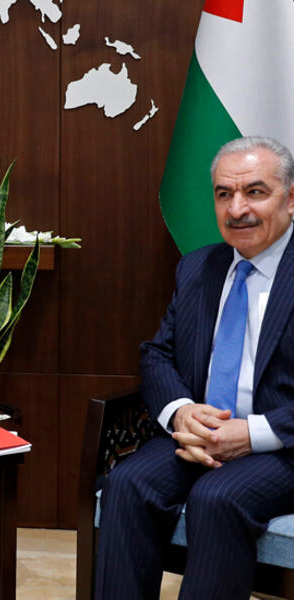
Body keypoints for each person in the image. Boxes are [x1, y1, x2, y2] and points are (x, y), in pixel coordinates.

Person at [95, 135, 294, 599]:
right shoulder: (199, 266)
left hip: (282, 446)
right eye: (224, 194)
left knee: (217, 498)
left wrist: (251, 434)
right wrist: (182, 411)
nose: (237, 208)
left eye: (255, 192)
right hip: (199, 435)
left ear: (290, 199)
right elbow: (157, 353)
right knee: (127, 483)